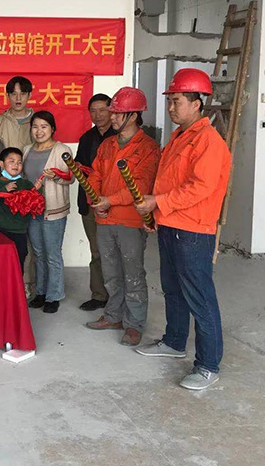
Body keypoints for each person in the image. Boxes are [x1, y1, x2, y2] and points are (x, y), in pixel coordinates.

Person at [134, 68, 230, 391]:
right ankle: (175, 342)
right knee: (173, 290)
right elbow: (168, 180)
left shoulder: (208, 141)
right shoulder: (179, 137)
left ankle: (208, 365)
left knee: (200, 297)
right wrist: (155, 212)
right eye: (170, 101)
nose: (171, 107)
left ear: (196, 103)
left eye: (176, 101)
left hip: (193, 231)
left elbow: (200, 188)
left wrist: (158, 202)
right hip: (170, 225)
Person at [84, 88, 160, 346]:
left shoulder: (148, 148)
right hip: (105, 219)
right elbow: (95, 174)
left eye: (117, 113)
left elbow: (141, 185)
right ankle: (114, 315)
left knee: (133, 273)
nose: (111, 117)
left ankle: (134, 324)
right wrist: (95, 200)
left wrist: (110, 201)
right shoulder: (108, 144)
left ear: (134, 115)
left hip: (130, 220)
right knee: (111, 272)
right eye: (112, 112)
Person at [23, 111, 74, 313]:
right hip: (32, 211)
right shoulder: (26, 150)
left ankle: (54, 296)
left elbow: (72, 178)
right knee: (38, 253)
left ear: (52, 129)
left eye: (44, 126)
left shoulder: (62, 150)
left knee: (52, 254)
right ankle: (41, 292)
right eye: (35, 127)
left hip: (53, 211)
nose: (39, 131)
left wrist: (57, 177)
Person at [75, 93, 115, 311]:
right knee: (96, 251)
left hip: (115, 204)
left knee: (116, 253)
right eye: (93, 111)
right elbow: (79, 168)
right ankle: (99, 295)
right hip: (90, 203)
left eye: (102, 110)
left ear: (111, 110)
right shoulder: (86, 138)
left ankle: (117, 298)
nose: (98, 115)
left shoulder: (120, 136)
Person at [0, 147, 33, 273]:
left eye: (19, 162)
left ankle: (17, 286)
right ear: (1, 164)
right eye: (11, 161)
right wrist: (3, 191)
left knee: (18, 263)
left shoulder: (26, 184)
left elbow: (35, 205)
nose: (16, 165)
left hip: (20, 232)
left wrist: (37, 190)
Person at [0, 76, 34, 150]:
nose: (18, 98)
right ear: (7, 95)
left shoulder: (37, 121)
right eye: (14, 94)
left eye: (23, 94)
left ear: (29, 95)